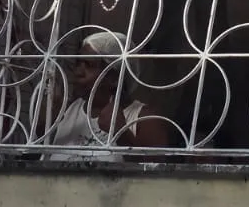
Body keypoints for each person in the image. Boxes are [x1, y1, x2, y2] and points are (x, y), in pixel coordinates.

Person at [49, 30, 166, 159]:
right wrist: (51, 112)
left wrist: (121, 134)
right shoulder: (71, 109)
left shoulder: (143, 119)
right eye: (78, 63)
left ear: (115, 77)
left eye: (89, 65)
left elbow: (158, 170)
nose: (78, 72)